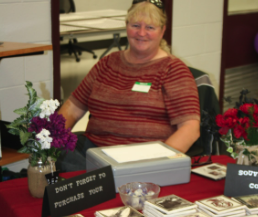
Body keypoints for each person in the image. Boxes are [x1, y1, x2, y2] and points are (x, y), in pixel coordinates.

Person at [57, 0, 200, 172]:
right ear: (126, 26)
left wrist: (155, 164)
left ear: (162, 31)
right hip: (95, 152)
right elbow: (72, 108)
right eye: (135, 25)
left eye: (150, 27)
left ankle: (102, 180)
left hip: (142, 158)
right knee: (56, 148)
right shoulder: (108, 63)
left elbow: (190, 129)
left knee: (86, 178)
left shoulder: (173, 70)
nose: (141, 33)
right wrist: (49, 138)